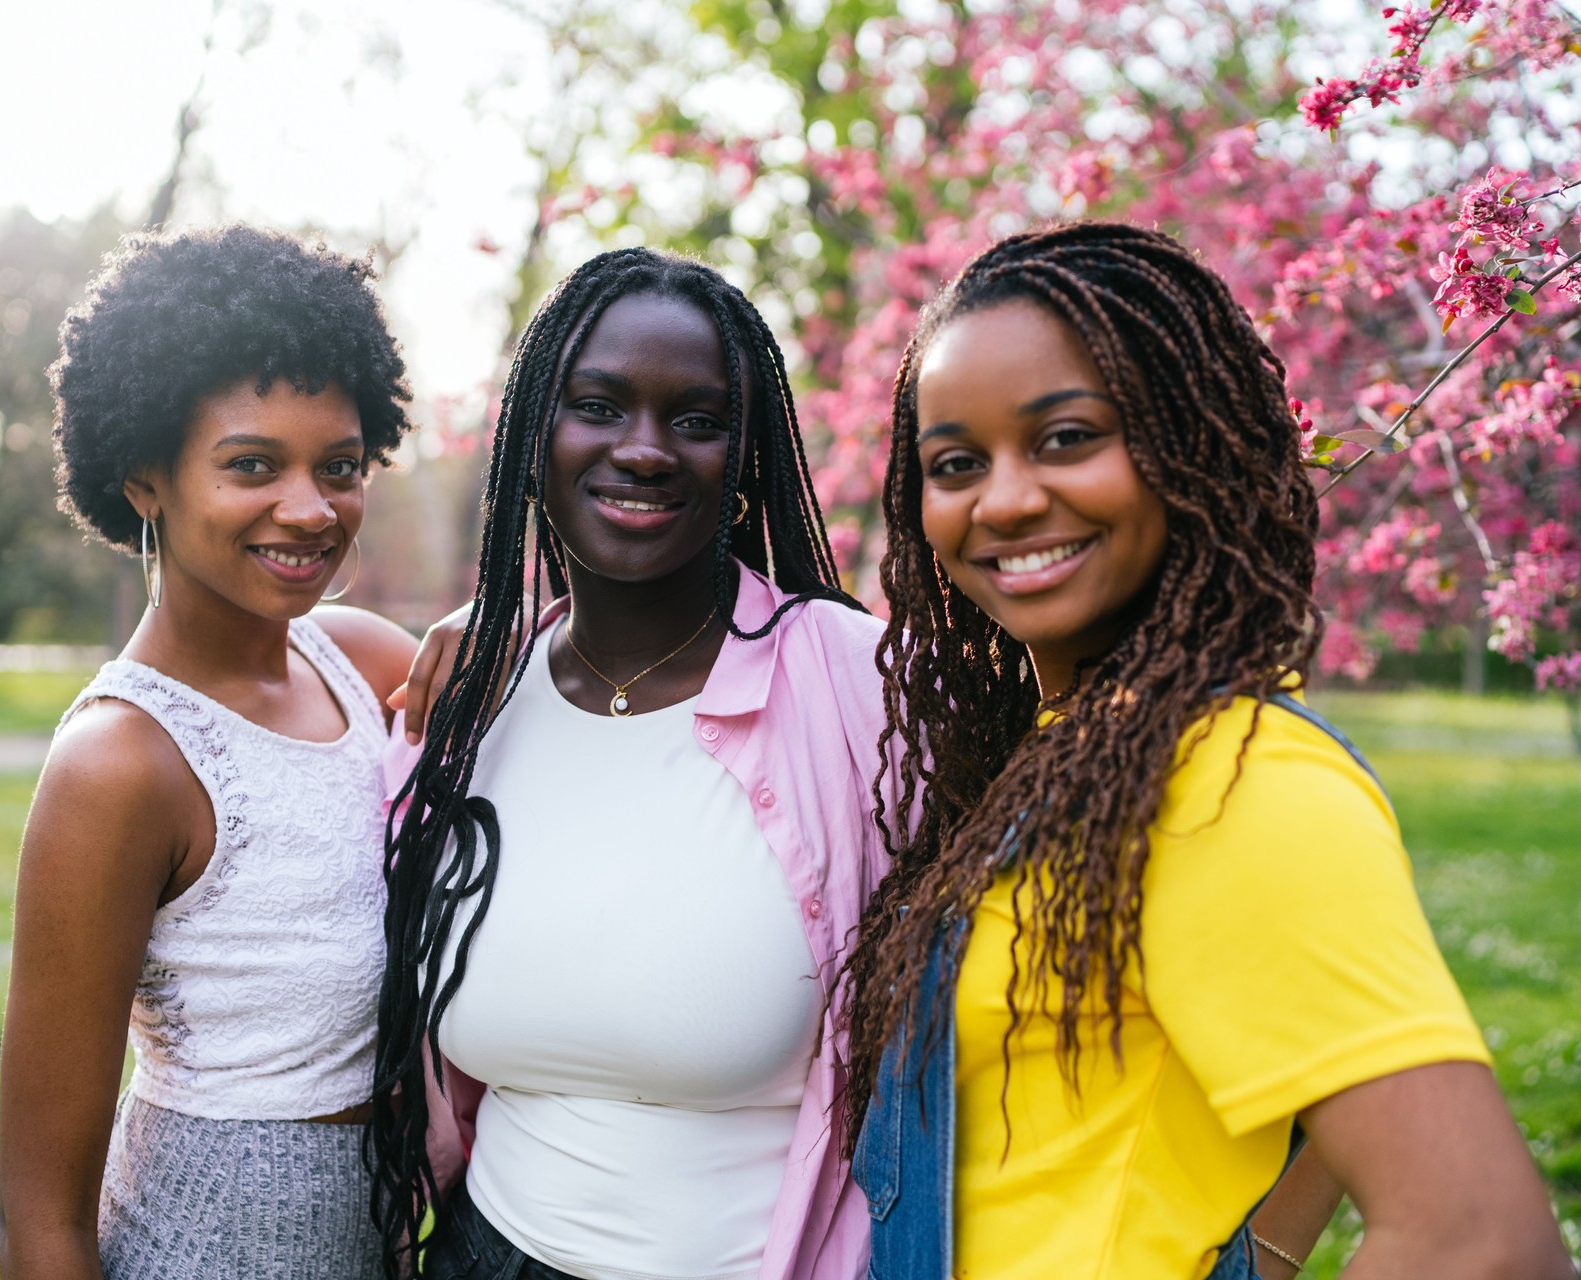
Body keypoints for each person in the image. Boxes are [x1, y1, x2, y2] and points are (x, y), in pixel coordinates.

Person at [843, 222, 1572, 1279]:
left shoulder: (1234, 778)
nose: (1001, 499)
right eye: (956, 462)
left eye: (1065, 438)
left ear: (1189, 444)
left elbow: (1481, 1240)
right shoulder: (1078, 745)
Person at [368, 247, 892, 1280]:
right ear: (535, 437)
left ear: (744, 459)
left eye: (695, 419)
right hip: (486, 1254)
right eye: (599, 406)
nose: (644, 449)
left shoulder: (857, 688)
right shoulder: (468, 705)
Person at [0, 224, 420, 1279]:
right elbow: (41, 1216)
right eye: (252, 466)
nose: (311, 508)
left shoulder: (368, 665)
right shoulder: (122, 764)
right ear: (145, 477)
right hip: (209, 1245)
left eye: (340, 465)